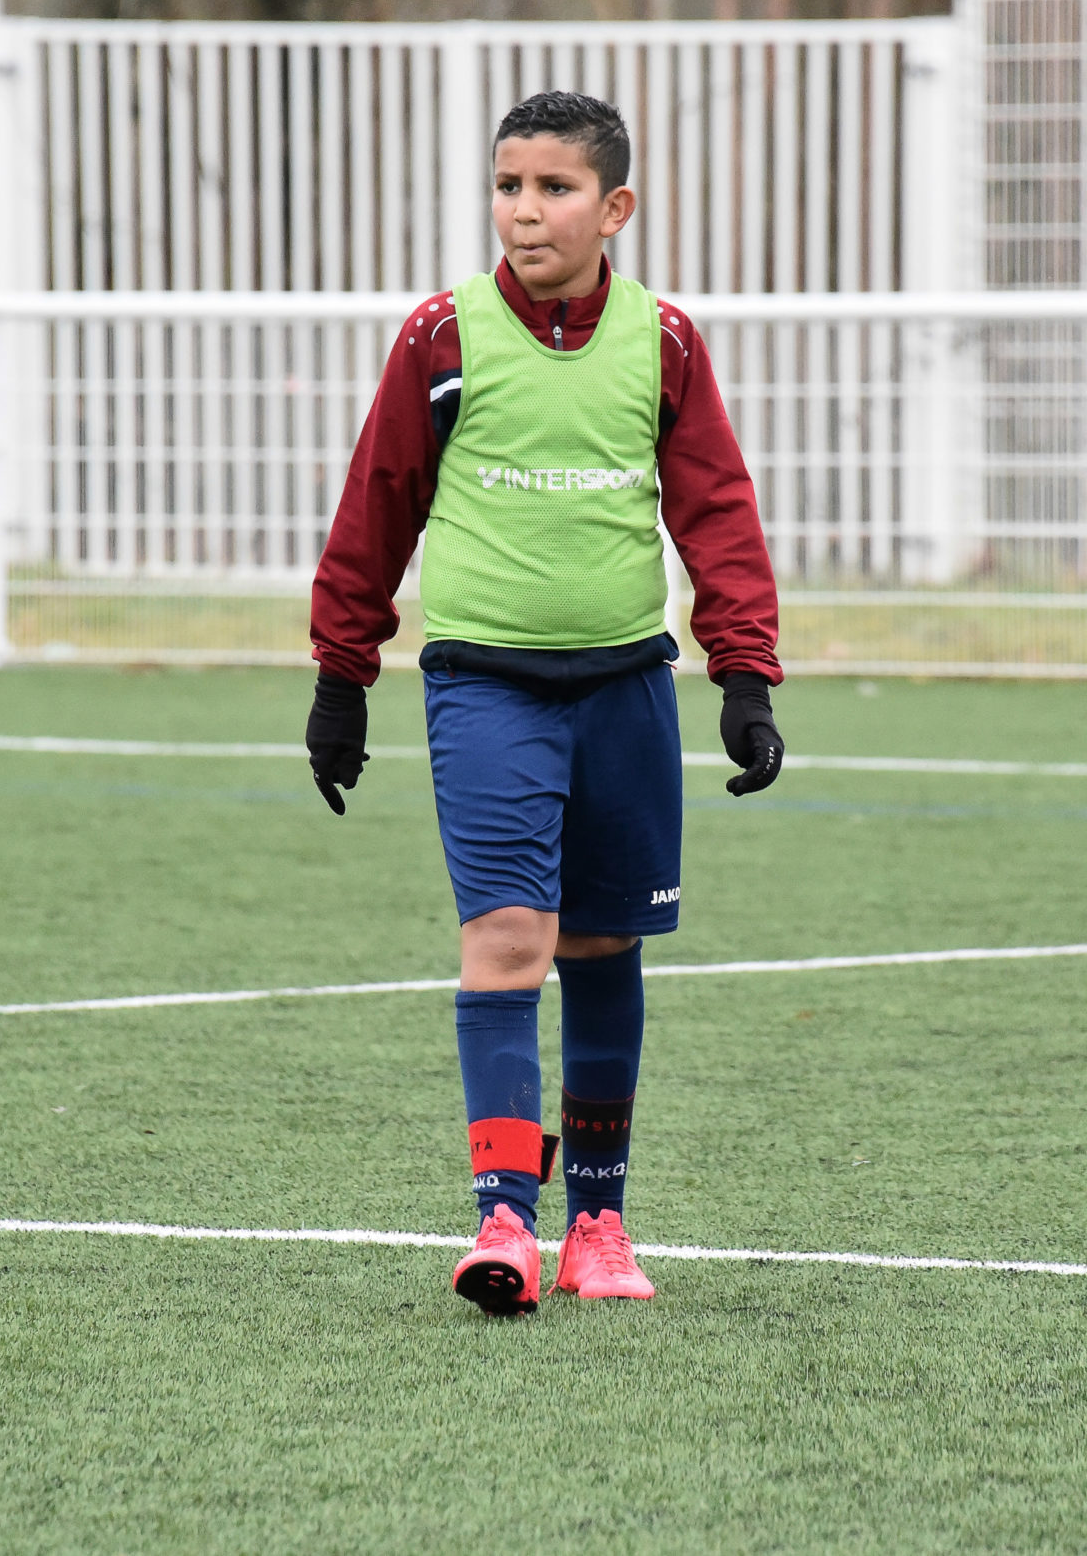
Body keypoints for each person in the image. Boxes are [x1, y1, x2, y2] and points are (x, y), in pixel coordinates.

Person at [304, 90, 785, 1316]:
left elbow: (715, 509)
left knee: (605, 943)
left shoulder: (663, 340)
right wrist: (341, 675)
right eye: (508, 186)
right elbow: (377, 505)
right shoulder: (441, 336)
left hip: (625, 689)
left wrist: (743, 672)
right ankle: (506, 1219)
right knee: (510, 940)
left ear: (614, 207)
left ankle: (599, 1225)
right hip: (486, 686)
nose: (525, 211)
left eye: (554, 188)